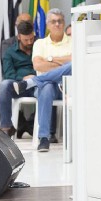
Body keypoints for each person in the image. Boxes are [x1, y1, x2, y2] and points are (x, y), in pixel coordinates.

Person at [31, 8, 72, 152]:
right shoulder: (40, 43)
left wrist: (49, 59)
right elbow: (38, 65)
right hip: (47, 88)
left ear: (64, 23)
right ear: (48, 25)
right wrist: (63, 64)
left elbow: (75, 62)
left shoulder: (73, 41)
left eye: (60, 21)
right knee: (47, 86)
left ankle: (34, 81)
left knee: (72, 65)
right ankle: (44, 138)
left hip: (68, 88)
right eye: (53, 22)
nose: (57, 24)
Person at [0, 20, 38, 137]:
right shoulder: (10, 52)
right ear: (19, 37)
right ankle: (6, 128)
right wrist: (23, 78)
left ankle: (43, 130)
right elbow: (8, 74)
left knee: (48, 88)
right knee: (4, 85)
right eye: (26, 40)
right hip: (19, 86)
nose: (30, 42)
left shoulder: (40, 46)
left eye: (31, 38)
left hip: (38, 84)